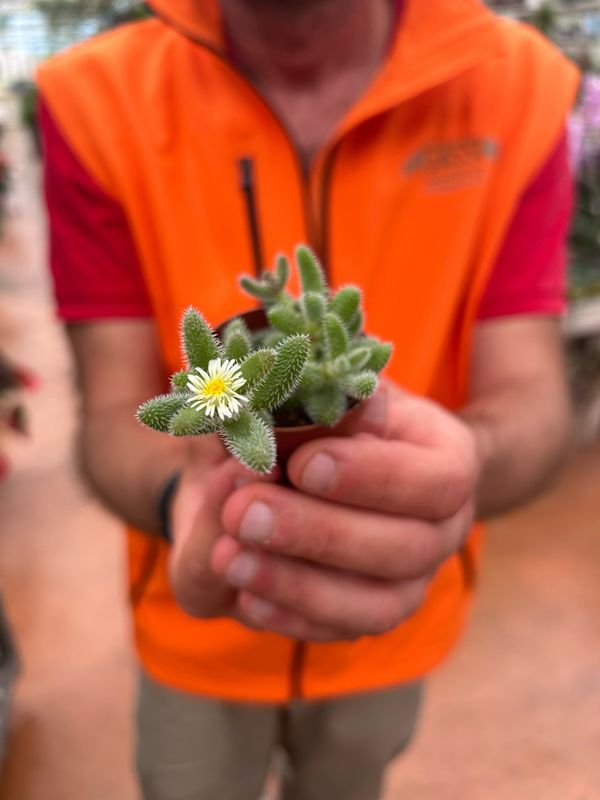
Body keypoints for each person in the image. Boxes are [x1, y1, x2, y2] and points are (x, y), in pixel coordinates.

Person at [38, 1, 578, 798]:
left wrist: (465, 468)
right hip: (195, 623)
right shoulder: (93, 94)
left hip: (397, 613)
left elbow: (530, 394)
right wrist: (180, 495)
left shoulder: (518, 84)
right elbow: (115, 414)